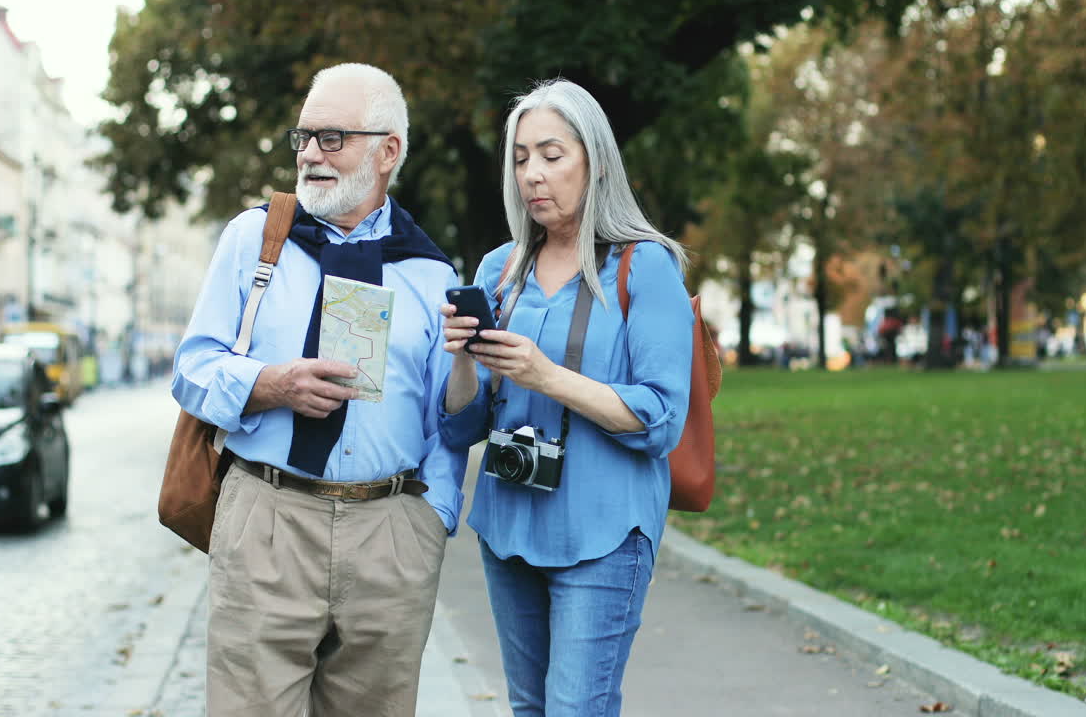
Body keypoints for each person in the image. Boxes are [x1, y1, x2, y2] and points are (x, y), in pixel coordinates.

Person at [171, 63, 466, 717]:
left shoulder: (429, 272)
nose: (308, 154)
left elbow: (448, 420)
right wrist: (271, 384)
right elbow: (192, 370)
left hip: (390, 534)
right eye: (302, 137)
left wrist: (431, 519)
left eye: (331, 138)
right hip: (268, 520)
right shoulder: (256, 237)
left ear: (387, 151)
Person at [438, 79, 694, 717]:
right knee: (529, 708)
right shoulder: (499, 269)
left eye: (552, 155)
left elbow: (660, 418)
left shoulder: (646, 266)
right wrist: (462, 360)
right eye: (521, 158)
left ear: (596, 161)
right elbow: (461, 424)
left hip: (604, 530)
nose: (533, 174)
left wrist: (545, 375)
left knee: (577, 708)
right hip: (507, 526)